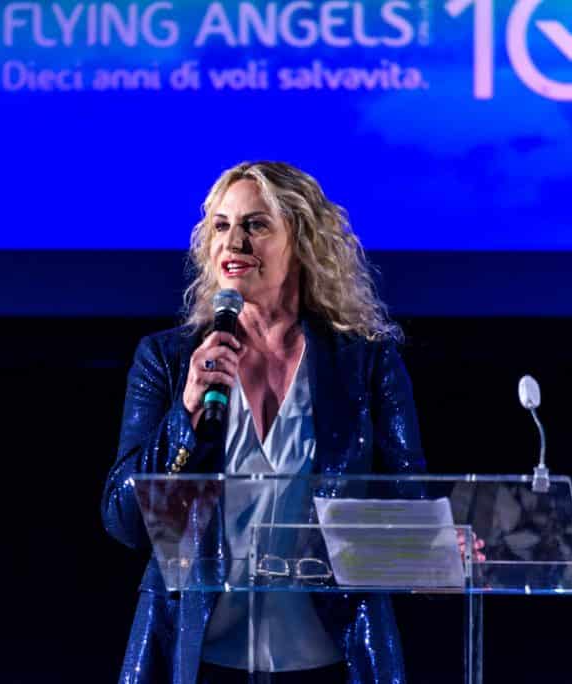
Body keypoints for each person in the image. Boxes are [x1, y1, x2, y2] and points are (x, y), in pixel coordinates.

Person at [102, 161, 443, 683]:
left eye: (256, 225)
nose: (233, 242)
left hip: (332, 660)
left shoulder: (366, 363)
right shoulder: (168, 362)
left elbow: (409, 505)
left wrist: (435, 547)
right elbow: (125, 521)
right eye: (221, 225)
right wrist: (185, 416)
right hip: (197, 660)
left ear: (301, 241)